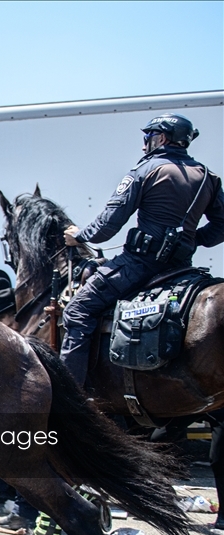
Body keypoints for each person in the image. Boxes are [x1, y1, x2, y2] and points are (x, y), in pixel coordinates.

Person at [61, 113, 224, 387]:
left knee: (77, 311)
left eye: (147, 137)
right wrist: (193, 240)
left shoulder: (145, 170)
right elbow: (222, 225)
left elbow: (108, 225)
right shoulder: (208, 176)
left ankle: (69, 399)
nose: (143, 145)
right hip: (182, 268)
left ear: (161, 138)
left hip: (139, 264)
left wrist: (79, 235)